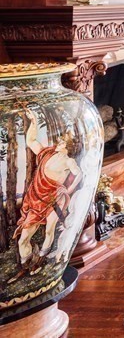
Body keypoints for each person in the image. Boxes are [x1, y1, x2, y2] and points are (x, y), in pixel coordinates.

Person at [13, 116, 83, 272]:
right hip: (36, 199)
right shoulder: (48, 154)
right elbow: (31, 141)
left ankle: (41, 261)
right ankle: (26, 264)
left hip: (53, 200)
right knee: (23, 239)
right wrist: (34, 122)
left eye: (63, 142)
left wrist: (68, 190)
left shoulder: (68, 161)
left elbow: (79, 174)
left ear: (68, 147)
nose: (58, 143)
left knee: (49, 231)